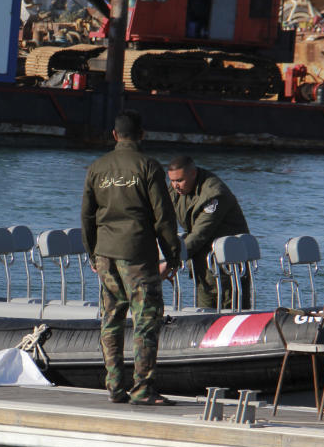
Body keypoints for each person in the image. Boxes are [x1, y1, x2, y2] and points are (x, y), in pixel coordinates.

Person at [81, 111, 180, 406]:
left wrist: (92, 253)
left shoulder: (97, 168)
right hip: (137, 254)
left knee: (111, 321)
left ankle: (114, 386)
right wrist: (172, 253)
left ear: (114, 135)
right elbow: (163, 216)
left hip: (106, 254)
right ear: (142, 134)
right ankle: (143, 389)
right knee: (146, 320)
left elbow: (86, 216)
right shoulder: (148, 166)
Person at [166, 156, 250, 310]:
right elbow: (160, 218)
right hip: (202, 262)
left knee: (228, 309)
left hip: (227, 266)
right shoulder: (175, 190)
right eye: (172, 181)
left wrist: (172, 261)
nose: (175, 185)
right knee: (204, 308)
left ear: (193, 173)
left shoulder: (214, 194)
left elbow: (200, 233)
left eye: (179, 180)